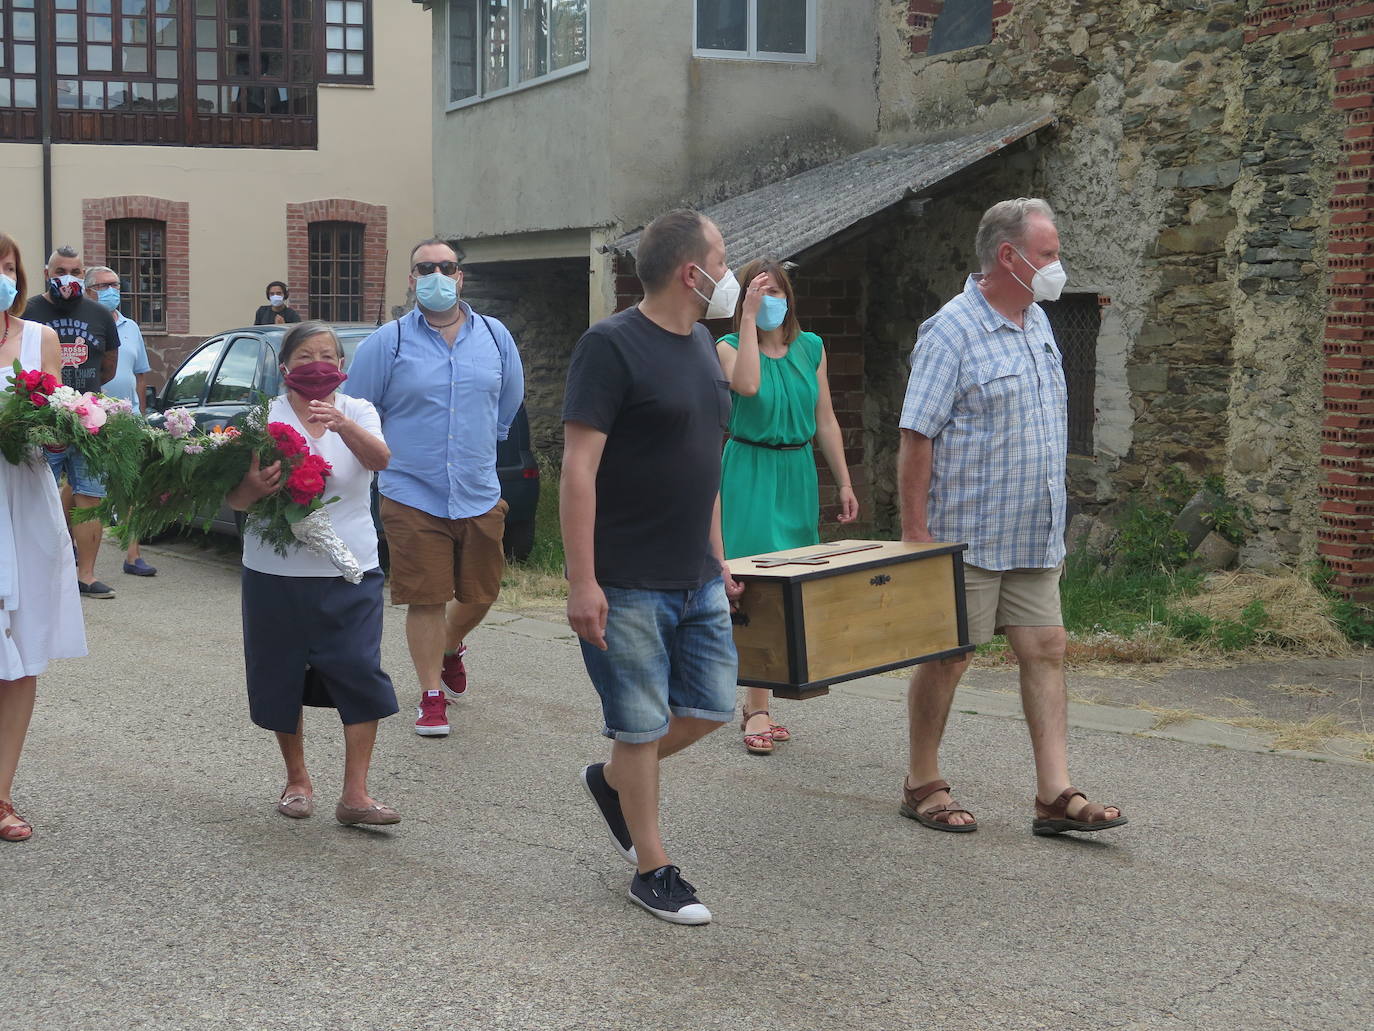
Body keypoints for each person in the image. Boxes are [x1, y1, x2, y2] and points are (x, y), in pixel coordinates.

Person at [897, 197, 1126, 837]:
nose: (1058, 267)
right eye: (1049, 254)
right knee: (948, 657)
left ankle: (1055, 794)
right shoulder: (952, 331)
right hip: (966, 534)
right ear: (1009, 256)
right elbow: (918, 435)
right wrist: (916, 536)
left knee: (1046, 647)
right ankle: (922, 781)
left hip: (1033, 532)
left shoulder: (1037, 322)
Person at [563, 209, 744, 925]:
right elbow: (580, 468)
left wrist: (721, 560)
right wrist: (582, 580)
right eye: (723, 258)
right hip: (626, 577)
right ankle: (653, 867)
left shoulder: (703, 344)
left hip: (695, 572)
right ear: (689, 271)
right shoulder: (610, 346)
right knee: (637, 725)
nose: (730, 271)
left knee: (708, 706)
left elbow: (706, 464)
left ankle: (612, 783)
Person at [347, 239, 524, 738]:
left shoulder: (494, 336)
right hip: (410, 489)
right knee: (425, 595)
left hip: (477, 487)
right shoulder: (389, 341)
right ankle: (430, 695)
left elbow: (508, 402)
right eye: (426, 267)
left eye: (447, 267)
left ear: (460, 276)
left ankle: (450, 644)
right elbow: (359, 411)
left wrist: (478, 446)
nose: (437, 275)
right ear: (412, 277)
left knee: (482, 592)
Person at [226, 321, 400, 827]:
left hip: (352, 570)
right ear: (285, 369)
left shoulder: (360, 411)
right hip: (274, 572)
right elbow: (233, 498)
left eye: (327, 356)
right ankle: (297, 780)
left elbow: (381, 461)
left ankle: (356, 794)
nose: (317, 365)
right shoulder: (261, 418)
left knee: (359, 670)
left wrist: (343, 425)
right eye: (305, 357)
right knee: (280, 673)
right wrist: (254, 488)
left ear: (342, 369)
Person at [716, 259, 859, 755]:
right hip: (750, 468)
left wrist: (842, 481)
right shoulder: (729, 347)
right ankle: (756, 705)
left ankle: (773, 685)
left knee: (793, 578)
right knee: (755, 584)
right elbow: (749, 387)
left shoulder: (812, 347)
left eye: (776, 291)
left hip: (796, 469)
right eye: (759, 292)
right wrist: (751, 322)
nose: (770, 299)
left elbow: (825, 418)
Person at [0, 231, 88, 843]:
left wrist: (65, 430)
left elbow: (56, 433)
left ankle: (1, 795)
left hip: (23, 499)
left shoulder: (40, 338)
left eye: (6, 266)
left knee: (20, 652)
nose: (1, 275)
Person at [21, 246, 120, 600]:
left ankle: (87, 575)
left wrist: (82, 397)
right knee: (36, 496)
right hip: (41, 421)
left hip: (89, 420)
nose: (69, 277)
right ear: (48, 274)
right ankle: (37, 571)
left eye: (76, 271)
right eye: (61, 270)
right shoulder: (29, 311)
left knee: (90, 496)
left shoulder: (99, 314)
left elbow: (108, 365)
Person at [83, 266, 156, 578]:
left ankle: (133, 553)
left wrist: (140, 412)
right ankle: (76, 549)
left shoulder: (131, 327)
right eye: (104, 285)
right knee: (84, 487)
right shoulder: (84, 323)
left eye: (115, 284)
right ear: (88, 290)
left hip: (128, 419)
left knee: (131, 485)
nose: (112, 290)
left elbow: (140, 374)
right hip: (90, 417)